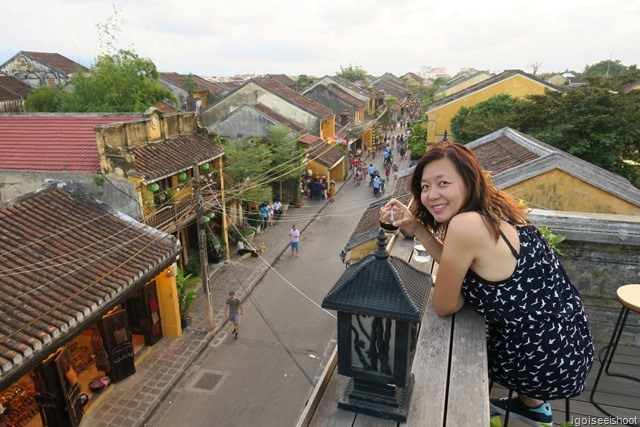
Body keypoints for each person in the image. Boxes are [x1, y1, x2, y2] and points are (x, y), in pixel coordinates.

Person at [385, 142, 594, 427]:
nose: (431, 195)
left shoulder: (465, 225)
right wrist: (419, 229)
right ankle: (532, 406)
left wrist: (460, 290)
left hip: (542, 362)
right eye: (424, 187)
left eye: (443, 183)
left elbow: (445, 305)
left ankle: (525, 401)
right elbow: (458, 261)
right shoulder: (498, 209)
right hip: (570, 345)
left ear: (469, 182)